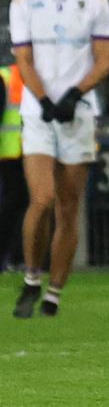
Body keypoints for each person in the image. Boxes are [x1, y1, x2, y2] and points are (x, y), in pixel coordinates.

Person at [10, 0, 109, 320]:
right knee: (43, 199)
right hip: (39, 114)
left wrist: (73, 95)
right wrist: (45, 100)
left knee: (70, 206)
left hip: (79, 112)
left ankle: (54, 292)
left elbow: (104, 61)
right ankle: (32, 276)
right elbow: (24, 59)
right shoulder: (25, 1)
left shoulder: (96, 2)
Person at [0, 62, 26, 272]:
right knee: (12, 207)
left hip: (28, 152)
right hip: (11, 153)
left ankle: (18, 258)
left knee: (21, 207)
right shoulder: (7, 77)